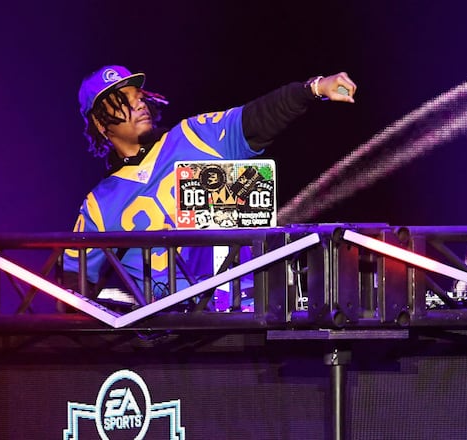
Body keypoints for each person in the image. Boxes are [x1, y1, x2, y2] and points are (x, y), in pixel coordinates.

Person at [62, 65, 356, 305]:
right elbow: (73, 289)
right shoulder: (100, 204)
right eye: (122, 100)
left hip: (246, 311)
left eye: (138, 95)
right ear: (100, 124)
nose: (138, 102)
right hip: (169, 338)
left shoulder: (193, 135)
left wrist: (314, 88)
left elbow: (255, 117)